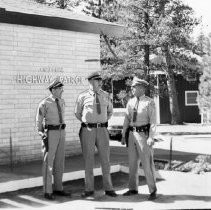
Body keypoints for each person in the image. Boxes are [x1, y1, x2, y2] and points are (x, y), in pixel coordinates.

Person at [75, 71, 117, 198]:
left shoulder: (106, 95)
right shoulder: (82, 96)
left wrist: (101, 121)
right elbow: (78, 113)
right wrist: (89, 121)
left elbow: (110, 112)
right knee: (88, 160)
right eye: (96, 80)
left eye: (100, 80)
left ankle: (109, 188)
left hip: (103, 130)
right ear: (90, 81)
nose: (99, 82)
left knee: (106, 160)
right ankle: (89, 189)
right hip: (88, 130)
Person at [121, 76, 157, 200]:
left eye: (134, 87)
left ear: (141, 88)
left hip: (143, 135)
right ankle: (133, 189)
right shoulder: (130, 102)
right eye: (132, 87)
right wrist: (123, 134)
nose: (132, 89)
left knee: (147, 163)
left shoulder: (149, 102)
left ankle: (152, 190)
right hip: (131, 135)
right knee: (132, 164)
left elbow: (153, 122)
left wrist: (151, 137)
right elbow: (126, 119)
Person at [36, 78, 71, 200]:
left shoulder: (61, 101)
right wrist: (41, 133)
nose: (62, 90)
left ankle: (58, 188)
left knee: (60, 162)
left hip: (62, 132)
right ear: (54, 89)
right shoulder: (44, 103)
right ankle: (47, 191)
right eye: (60, 89)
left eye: (62, 88)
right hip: (50, 133)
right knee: (48, 162)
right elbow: (39, 120)